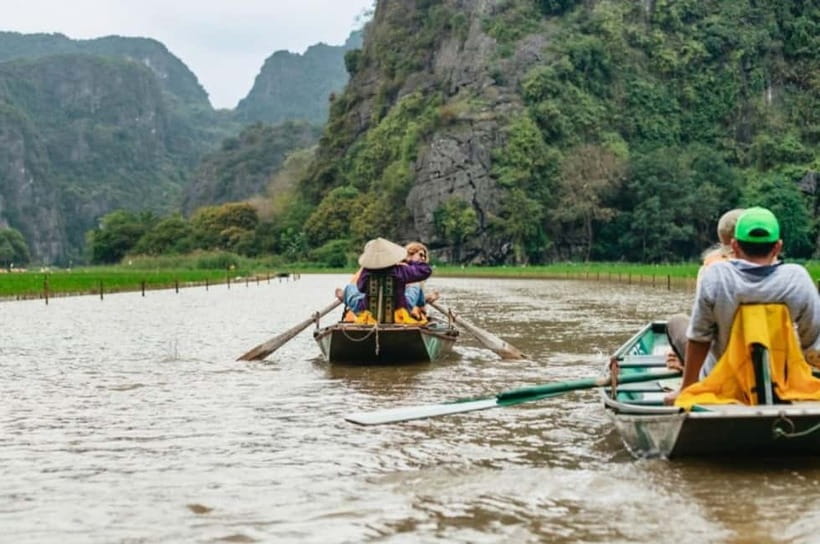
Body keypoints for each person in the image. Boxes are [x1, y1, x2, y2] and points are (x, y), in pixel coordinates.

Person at [664, 206, 820, 405]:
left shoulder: (717, 275)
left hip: (720, 383)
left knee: (677, 322)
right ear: (777, 247)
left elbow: (699, 337)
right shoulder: (797, 278)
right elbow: (813, 341)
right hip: (782, 383)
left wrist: (686, 390)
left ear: (735, 246)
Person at [665, 208, 744, 370]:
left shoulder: (710, 270)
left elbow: (700, 327)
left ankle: (690, 368)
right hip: (763, 355)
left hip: (719, 362)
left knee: (677, 321)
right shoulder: (776, 271)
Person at [336, 237, 432, 322]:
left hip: (367, 311)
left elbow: (361, 288)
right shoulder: (400, 270)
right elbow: (426, 270)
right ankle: (422, 307)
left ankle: (344, 296)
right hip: (400, 310)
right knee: (415, 285)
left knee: (350, 288)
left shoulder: (366, 271)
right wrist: (411, 260)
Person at [403, 242, 439, 319]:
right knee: (416, 284)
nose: (423, 258)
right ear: (410, 254)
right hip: (402, 308)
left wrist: (425, 299)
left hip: (402, 305)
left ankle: (421, 309)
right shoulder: (404, 269)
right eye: (420, 255)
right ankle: (421, 310)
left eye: (424, 256)